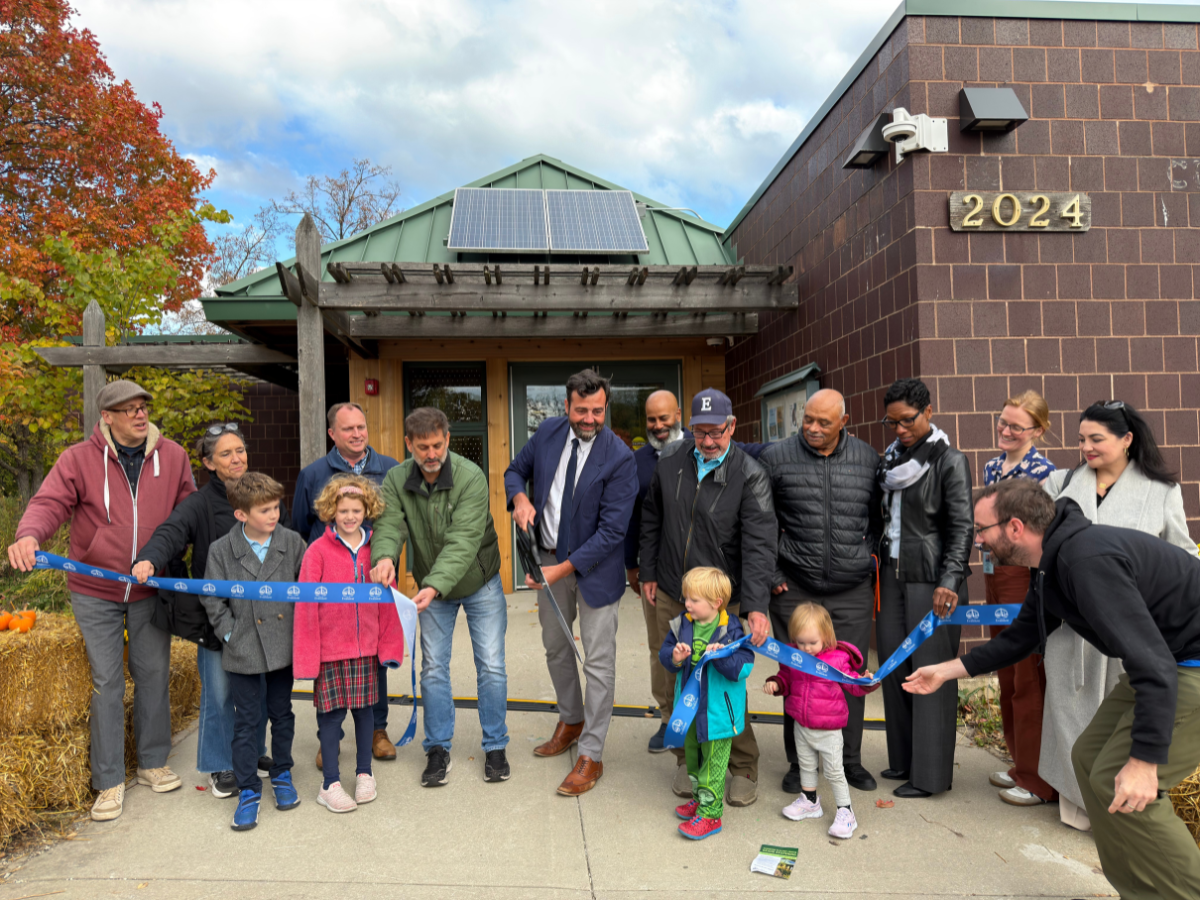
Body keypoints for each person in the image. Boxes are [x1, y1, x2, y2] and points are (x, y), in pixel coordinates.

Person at [907, 478, 1200, 900]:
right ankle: (1140, 891)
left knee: (1133, 790)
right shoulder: (1051, 562)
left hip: (1187, 667)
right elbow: (1021, 636)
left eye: (981, 530)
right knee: (1087, 760)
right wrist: (946, 671)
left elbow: (1151, 663)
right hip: (1165, 666)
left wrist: (1144, 762)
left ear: (1014, 528)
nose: (979, 542)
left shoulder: (1085, 562)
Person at [8, 380, 195, 822]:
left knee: (153, 673)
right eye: (127, 409)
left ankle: (152, 762)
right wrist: (29, 535)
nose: (139, 414)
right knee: (107, 680)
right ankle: (108, 781)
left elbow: (187, 513)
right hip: (94, 589)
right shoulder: (77, 459)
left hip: (151, 587)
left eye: (143, 407)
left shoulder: (173, 457)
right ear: (106, 417)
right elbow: (50, 502)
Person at [1040, 400, 1198, 832]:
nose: (1086, 448)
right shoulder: (1061, 482)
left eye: (1096, 439)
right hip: (1073, 629)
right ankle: (1077, 805)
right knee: (1069, 715)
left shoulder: (1160, 490)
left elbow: (1181, 554)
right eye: (1080, 439)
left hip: (1129, 628)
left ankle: (1119, 813)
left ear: (1127, 439)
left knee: (1118, 722)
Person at [639, 387, 777, 807]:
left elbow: (760, 545)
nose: (709, 441)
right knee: (671, 678)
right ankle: (686, 756)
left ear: (732, 426)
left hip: (720, 601)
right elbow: (652, 516)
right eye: (700, 433)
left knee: (722, 685)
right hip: (670, 590)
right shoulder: (669, 461)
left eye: (716, 432)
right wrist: (647, 570)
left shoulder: (749, 474)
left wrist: (755, 606)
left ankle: (743, 765)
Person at [504, 369, 637, 796]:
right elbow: (513, 471)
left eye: (598, 410)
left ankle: (592, 753)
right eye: (582, 410)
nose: (590, 418)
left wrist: (559, 570)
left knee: (598, 663)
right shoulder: (546, 432)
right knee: (556, 648)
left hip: (595, 573)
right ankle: (571, 718)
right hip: (548, 559)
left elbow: (613, 532)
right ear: (566, 406)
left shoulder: (619, 456)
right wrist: (519, 497)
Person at [370, 407, 508, 787]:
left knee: (492, 664)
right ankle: (437, 748)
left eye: (437, 445)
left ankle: (496, 744)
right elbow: (388, 525)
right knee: (432, 667)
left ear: (447, 439)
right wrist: (383, 558)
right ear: (408, 444)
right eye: (422, 447)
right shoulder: (396, 479)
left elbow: (463, 541)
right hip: (433, 585)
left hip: (479, 581)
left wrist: (432, 585)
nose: (431, 454)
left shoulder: (471, 477)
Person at [131, 423, 270, 799]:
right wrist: (148, 559)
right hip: (218, 618)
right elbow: (170, 532)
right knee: (220, 693)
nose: (236, 458)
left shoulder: (263, 495)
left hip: (260, 615)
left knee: (256, 689)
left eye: (240, 450)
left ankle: (253, 752)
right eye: (226, 454)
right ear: (208, 463)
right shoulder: (200, 504)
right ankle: (219, 765)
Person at [759, 388, 882, 795]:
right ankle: (800, 763)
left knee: (849, 676)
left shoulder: (867, 460)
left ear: (843, 422)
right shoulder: (776, 458)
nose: (812, 428)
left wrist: (868, 559)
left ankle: (849, 761)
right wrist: (774, 570)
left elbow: (880, 519)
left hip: (851, 589)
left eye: (823, 422)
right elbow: (760, 520)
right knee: (798, 676)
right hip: (796, 588)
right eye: (807, 419)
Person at [874, 378, 972, 798]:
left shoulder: (949, 461)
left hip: (933, 581)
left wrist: (950, 580)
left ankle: (930, 777)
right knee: (895, 668)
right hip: (893, 576)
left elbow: (962, 526)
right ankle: (903, 760)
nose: (899, 429)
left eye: (907, 420)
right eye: (892, 422)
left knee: (929, 672)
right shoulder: (891, 462)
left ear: (928, 412)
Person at [292, 402, 400, 764]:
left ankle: (377, 730)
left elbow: (397, 522)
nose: (357, 434)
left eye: (361, 427)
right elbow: (299, 527)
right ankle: (331, 737)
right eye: (348, 429)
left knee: (374, 656)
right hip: (331, 585)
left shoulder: (390, 470)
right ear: (332, 434)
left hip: (375, 577)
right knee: (333, 663)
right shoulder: (313, 474)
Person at [201, 472, 307, 832]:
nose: (274, 515)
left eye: (276, 507)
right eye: (265, 510)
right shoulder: (221, 550)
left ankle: (281, 772)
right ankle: (248, 788)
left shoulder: (292, 542)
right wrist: (230, 633)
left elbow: (306, 588)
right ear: (242, 515)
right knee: (246, 720)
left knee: (282, 712)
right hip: (243, 646)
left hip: (282, 644)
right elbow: (211, 596)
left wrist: (300, 633)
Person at [295, 475, 404, 813]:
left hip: (365, 649)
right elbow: (305, 604)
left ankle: (364, 774)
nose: (349, 516)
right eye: (342, 510)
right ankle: (330, 783)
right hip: (330, 651)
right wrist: (307, 656)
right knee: (329, 717)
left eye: (356, 509)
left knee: (364, 714)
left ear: (367, 510)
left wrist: (389, 647)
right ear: (331, 510)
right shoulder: (317, 552)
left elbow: (388, 602)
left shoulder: (377, 552)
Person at [978, 391, 1057, 808]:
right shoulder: (993, 465)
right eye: (1002, 421)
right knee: (1004, 669)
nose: (1005, 431)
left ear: (1038, 431)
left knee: (1028, 675)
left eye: (1016, 426)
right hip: (993, 572)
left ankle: (1038, 776)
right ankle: (1017, 761)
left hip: (1023, 576)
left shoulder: (1045, 473)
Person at [763, 602, 878, 839]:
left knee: (835, 772)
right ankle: (810, 801)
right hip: (801, 725)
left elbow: (853, 684)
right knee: (806, 765)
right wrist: (775, 683)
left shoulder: (836, 659)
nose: (805, 648)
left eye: (812, 643)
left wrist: (868, 682)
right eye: (800, 642)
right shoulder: (793, 656)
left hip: (829, 728)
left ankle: (846, 813)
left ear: (826, 636)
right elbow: (786, 678)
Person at [658, 567, 754, 841]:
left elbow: (744, 666)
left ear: (716, 603)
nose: (687, 604)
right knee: (693, 756)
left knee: (713, 762)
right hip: (689, 708)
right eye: (686, 597)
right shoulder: (682, 624)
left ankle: (711, 814)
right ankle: (700, 799)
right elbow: (665, 655)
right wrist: (675, 656)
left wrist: (722, 655)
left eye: (694, 600)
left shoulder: (732, 629)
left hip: (718, 714)